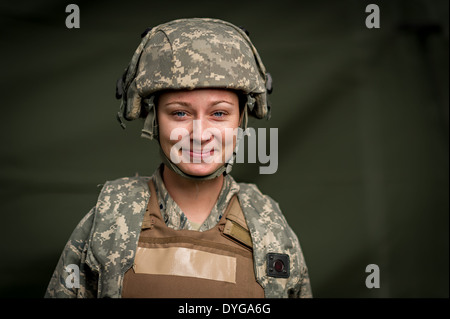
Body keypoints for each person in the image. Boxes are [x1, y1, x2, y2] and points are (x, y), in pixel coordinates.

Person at [45, 18, 312, 298]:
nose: (199, 134)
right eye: (180, 113)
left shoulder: (270, 227)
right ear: (155, 120)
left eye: (219, 113)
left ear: (241, 120)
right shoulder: (108, 221)